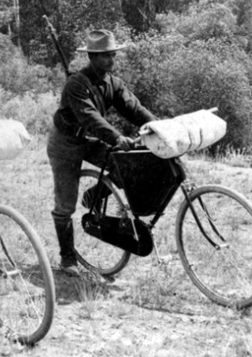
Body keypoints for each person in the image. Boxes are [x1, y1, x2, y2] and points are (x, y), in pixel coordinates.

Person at [48, 30, 158, 276]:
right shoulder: (76, 84)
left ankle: (94, 195)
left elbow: (134, 109)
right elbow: (90, 118)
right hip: (65, 144)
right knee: (65, 205)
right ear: (91, 57)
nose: (111, 60)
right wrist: (117, 138)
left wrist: (159, 127)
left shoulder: (113, 83)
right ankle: (67, 258)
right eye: (105, 55)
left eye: (112, 54)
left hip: (89, 140)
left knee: (126, 165)